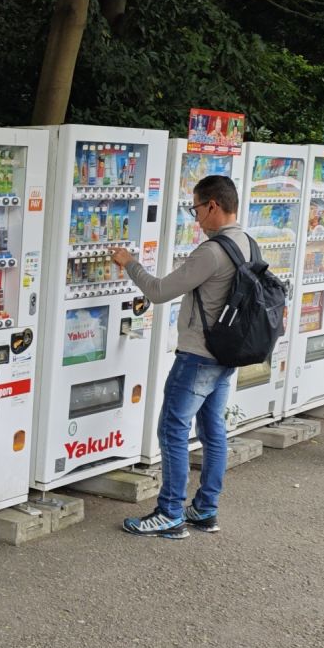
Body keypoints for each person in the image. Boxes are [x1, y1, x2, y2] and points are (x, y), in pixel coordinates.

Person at [108, 173, 251, 539]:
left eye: (197, 209)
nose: (197, 217)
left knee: (172, 429)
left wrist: (129, 263)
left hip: (198, 356)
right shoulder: (248, 243)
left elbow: (158, 292)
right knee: (212, 430)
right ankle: (205, 509)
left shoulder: (212, 251)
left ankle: (170, 511)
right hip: (226, 353)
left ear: (213, 206)